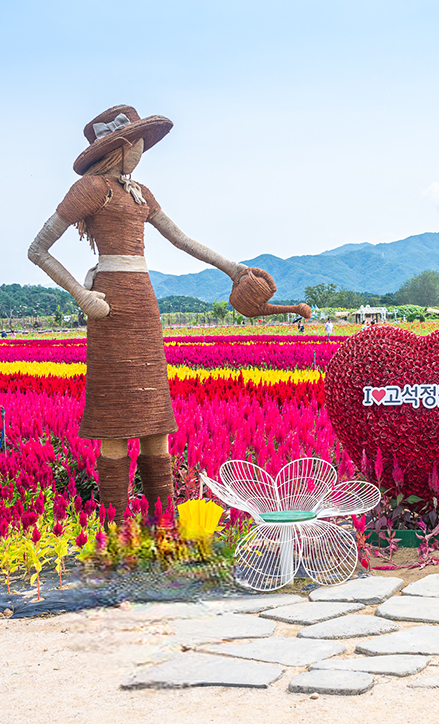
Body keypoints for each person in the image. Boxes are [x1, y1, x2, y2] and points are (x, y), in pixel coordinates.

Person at [28, 105, 309, 519]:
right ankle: (115, 528)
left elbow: (180, 238)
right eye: (138, 145)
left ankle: (161, 522)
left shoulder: (140, 192)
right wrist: (81, 295)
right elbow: (38, 249)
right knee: (114, 419)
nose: (141, 152)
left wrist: (233, 268)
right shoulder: (90, 188)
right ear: (120, 147)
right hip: (109, 306)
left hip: (143, 303)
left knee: (156, 418)